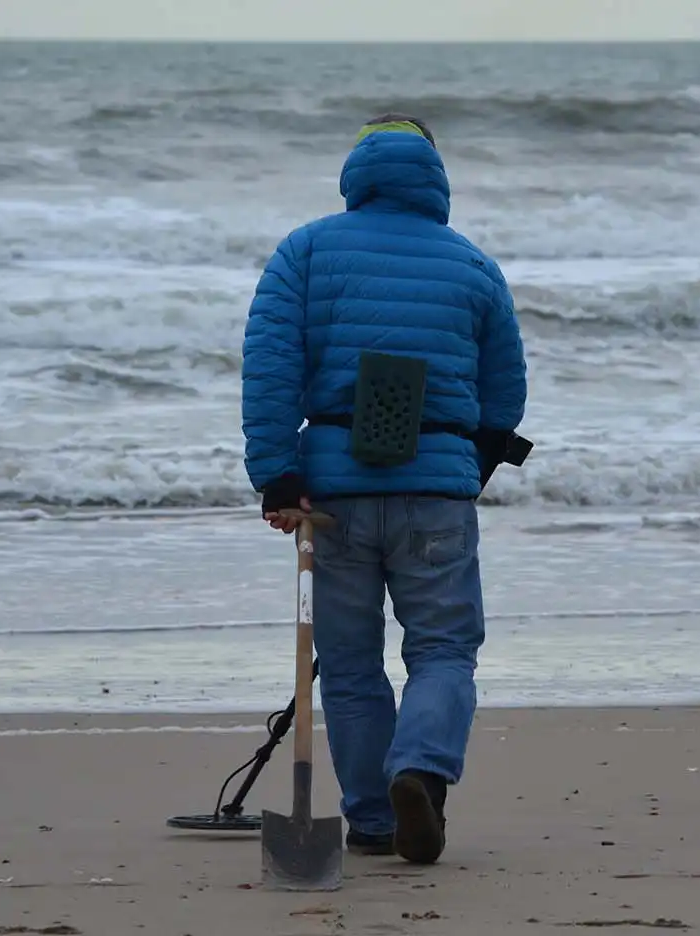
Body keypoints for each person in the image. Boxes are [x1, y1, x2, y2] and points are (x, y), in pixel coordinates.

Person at [239, 112, 529, 865]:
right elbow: (505, 398)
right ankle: (420, 770)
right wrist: (472, 468)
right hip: (436, 490)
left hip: (332, 494)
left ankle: (371, 818)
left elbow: (270, 369)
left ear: (356, 173)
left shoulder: (303, 253)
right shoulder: (473, 267)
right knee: (442, 651)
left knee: (350, 660)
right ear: (435, 174)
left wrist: (277, 477)